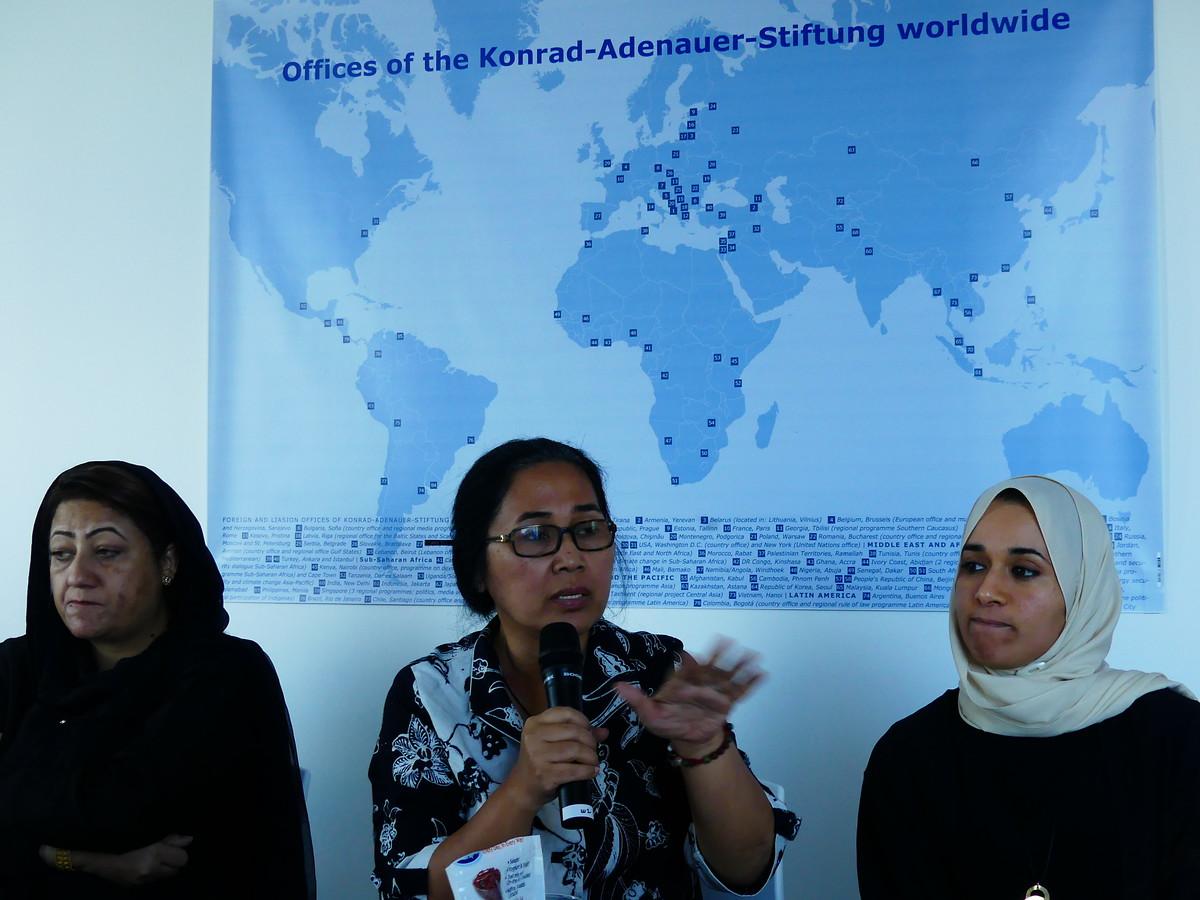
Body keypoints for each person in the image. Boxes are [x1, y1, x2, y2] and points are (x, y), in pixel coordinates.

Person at [370, 438, 798, 900]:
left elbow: (746, 869)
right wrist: (522, 791)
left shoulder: (659, 670)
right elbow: (413, 891)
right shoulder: (431, 692)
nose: (571, 558)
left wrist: (704, 745)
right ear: (478, 567)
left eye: (588, 529)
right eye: (535, 535)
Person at [857, 475, 1200, 899]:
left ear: (1082, 591)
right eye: (973, 566)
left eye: (1023, 571)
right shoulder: (908, 755)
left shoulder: (1176, 738)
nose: (986, 591)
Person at [0, 461, 315, 898]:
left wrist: (30, 820)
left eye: (106, 551)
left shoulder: (225, 671)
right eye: (62, 553)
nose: (78, 576)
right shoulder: (18, 667)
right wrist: (82, 859)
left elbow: (122, 811)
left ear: (167, 561)